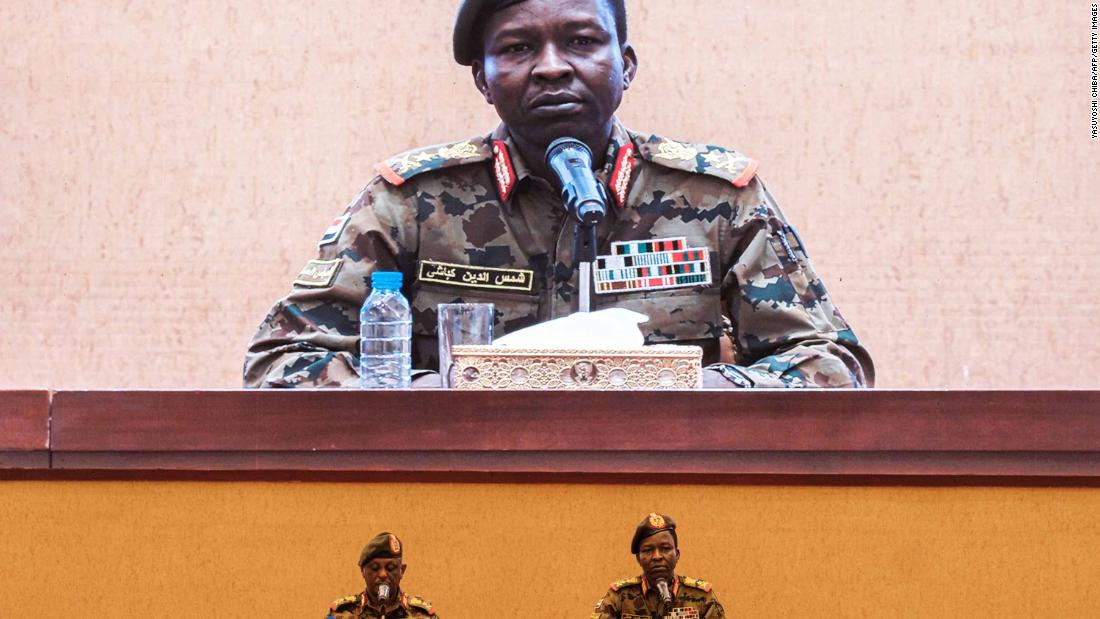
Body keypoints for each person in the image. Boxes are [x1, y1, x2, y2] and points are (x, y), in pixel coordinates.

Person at [244, 0, 874, 389]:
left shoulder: (715, 198)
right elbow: (281, 364)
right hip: (465, 493)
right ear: (483, 81)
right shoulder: (413, 201)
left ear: (625, 65)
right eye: (517, 48)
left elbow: (830, 365)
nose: (551, 66)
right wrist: (435, 392)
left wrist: (685, 390)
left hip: (664, 505)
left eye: (580, 41)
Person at [590, 513, 724, 619]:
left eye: (665, 549)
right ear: (638, 559)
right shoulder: (619, 596)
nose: (657, 556)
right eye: (648, 550)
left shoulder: (701, 596)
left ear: (677, 555)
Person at [326, 532, 438, 618]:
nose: (383, 574)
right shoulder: (340, 613)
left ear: (402, 571)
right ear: (362, 571)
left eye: (391, 568)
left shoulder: (423, 614)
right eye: (375, 568)